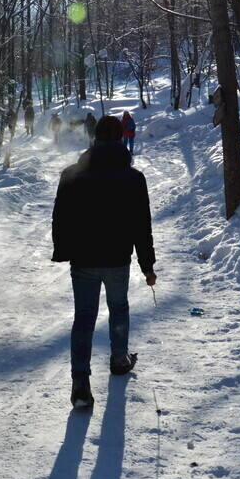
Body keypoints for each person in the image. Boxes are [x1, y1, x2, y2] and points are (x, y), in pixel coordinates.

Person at [51, 115, 157, 409]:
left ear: (94, 139)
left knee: (84, 317)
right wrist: (147, 266)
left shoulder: (71, 174)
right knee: (118, 307)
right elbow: (141, 224)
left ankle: (80, 383)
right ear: (122, 139)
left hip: (83, 259)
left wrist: (63, 250)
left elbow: (60, 218)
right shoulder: (133, 177)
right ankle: (119, 359)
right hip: (117, 258)